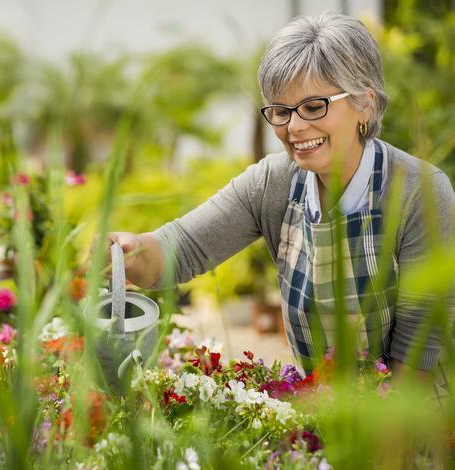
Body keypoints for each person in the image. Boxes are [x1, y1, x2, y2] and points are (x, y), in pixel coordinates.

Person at [107, 12, 455, 377]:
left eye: (313, 106)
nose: (295, 126)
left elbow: (419, 353)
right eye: (281, 111)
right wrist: (130, 252)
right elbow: (181, 249)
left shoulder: (420, 192)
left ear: (364, 103)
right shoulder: (272, 184)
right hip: (323, 415)